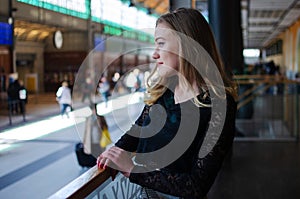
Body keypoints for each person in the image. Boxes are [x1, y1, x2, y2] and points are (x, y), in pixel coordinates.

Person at [97, 8, 237, 199]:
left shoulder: (219, 106)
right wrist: (114, 153)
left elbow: (196, 186)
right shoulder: (164, 91)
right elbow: (138, 131)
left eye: (161, 44)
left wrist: (132, 169)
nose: (154, 54)